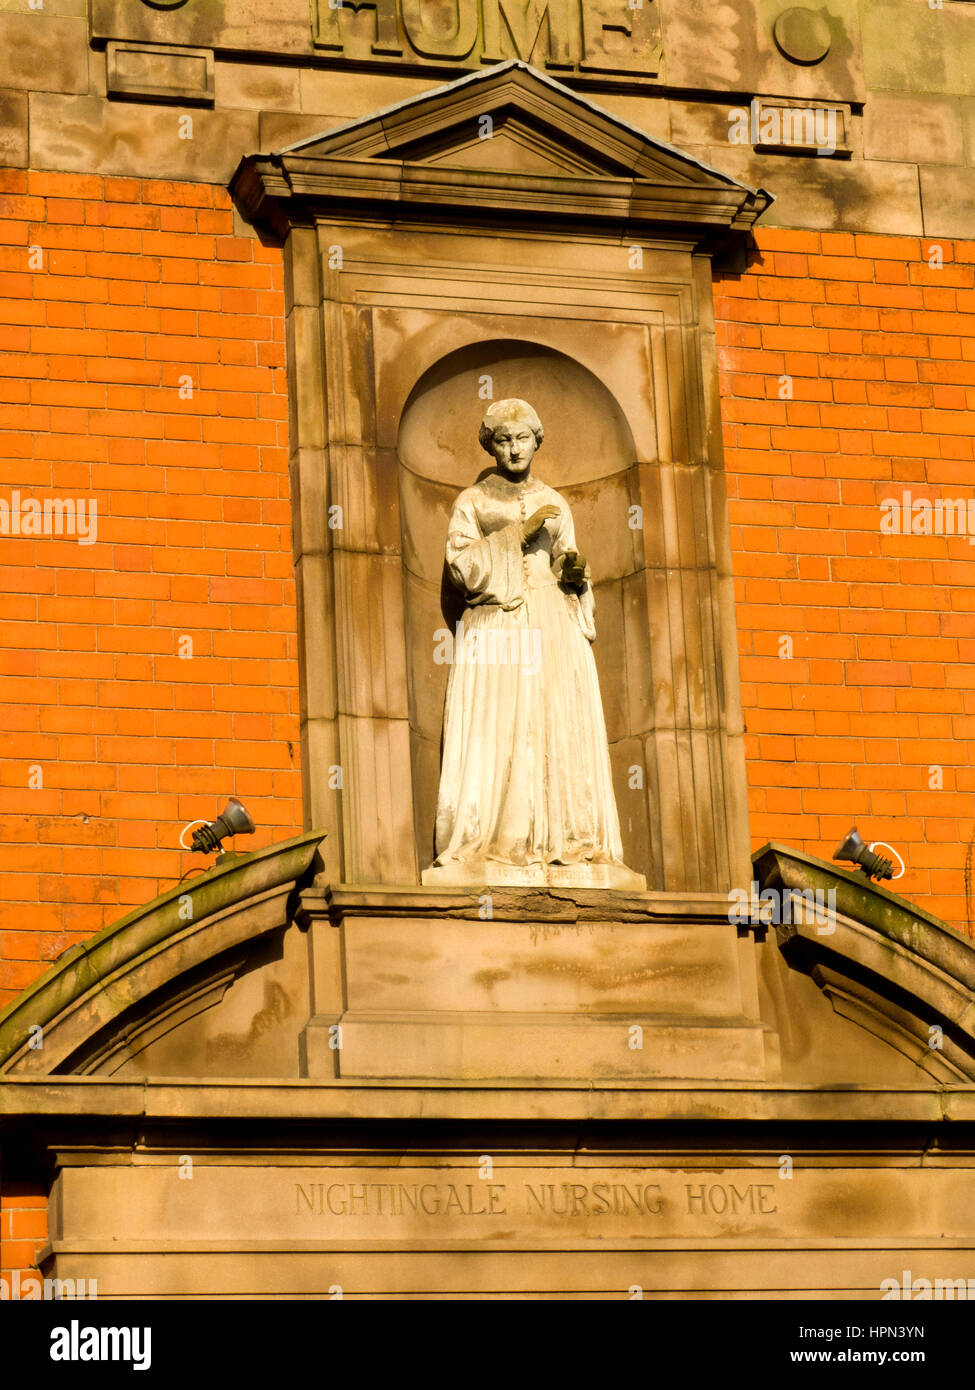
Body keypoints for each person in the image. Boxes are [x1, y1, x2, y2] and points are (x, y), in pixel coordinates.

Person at [427, 398, 639, 886]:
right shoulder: (474, 501)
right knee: (502, 724)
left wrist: (576, 575)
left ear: (536, 441)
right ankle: (499, 839)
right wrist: (517, 536)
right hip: (498, 623)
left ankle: (567, 839)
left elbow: (568, 558)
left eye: (522, 439)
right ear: (491, 446)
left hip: (550, 623)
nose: (514, 448)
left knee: (552, 721)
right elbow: (462, 567)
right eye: (503, 440)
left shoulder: (555, 499)